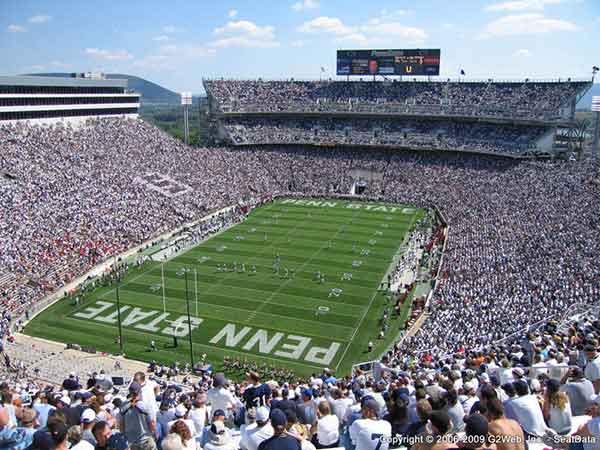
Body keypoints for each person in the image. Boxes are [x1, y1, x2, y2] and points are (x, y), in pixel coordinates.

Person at [119, 382, 157, 450]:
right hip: (145, 440)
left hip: (132, 442)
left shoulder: (123, 406)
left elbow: (121, 426)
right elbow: (152, 425)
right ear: (140, 391)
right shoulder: (146, 406)